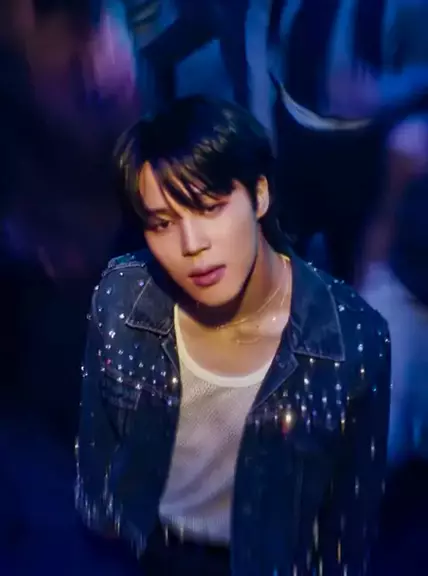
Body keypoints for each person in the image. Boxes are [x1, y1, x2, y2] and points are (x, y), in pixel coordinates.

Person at [75, 96, 391, 575]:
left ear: (259, 195)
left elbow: (347, 522)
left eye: (210, 208)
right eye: (163, 223)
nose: (191, 245)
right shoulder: (124, 296)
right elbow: (100, 443)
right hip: (151, 548)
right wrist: (105, 515)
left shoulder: (353, 338)